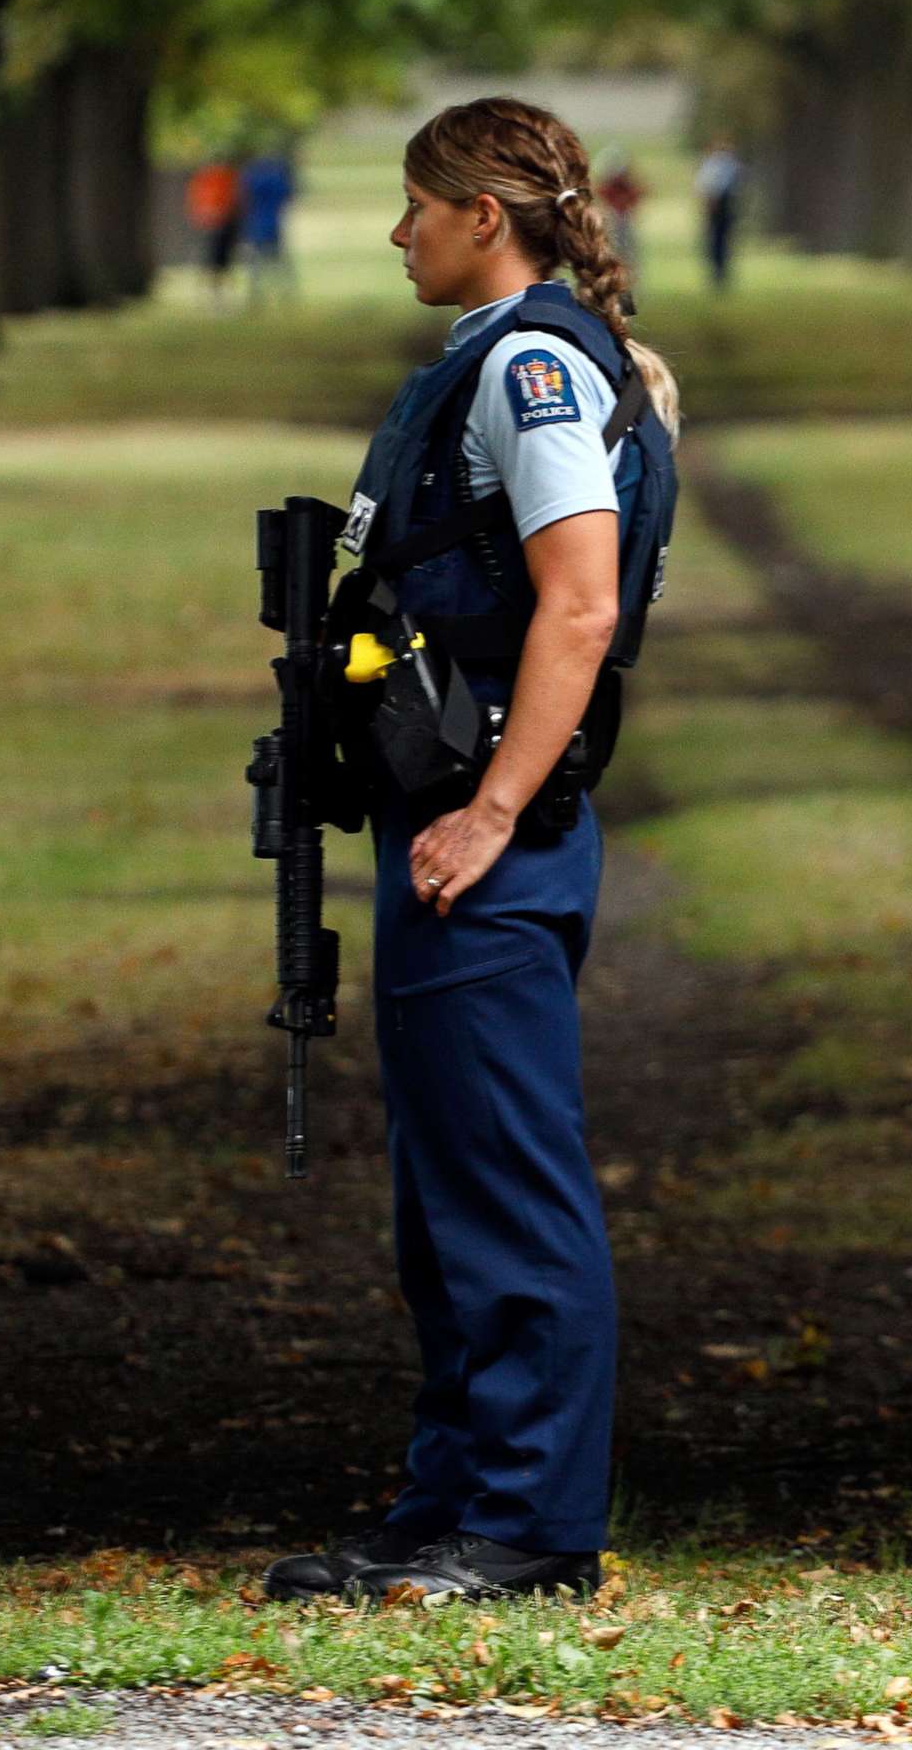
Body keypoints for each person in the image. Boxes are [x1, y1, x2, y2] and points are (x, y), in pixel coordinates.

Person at [265, 96, 681, 1608]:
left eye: (416, 207)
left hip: (489, 835)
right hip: (454, 823)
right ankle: (448, 1503)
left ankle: (530, 1528)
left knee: (508, 1189)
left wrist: (493, 807)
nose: (398, 233)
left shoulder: (528, 368)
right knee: (444, 1197)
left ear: (484, 217)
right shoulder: (514, 358)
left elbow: (576, 607)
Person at [239, 148, 296, 301]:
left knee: (257, 262)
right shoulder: (277, 179)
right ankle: (285, 293)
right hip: (272, 224)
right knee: (278, 262)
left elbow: (244, 196)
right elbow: (288, 195)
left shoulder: (253, 179)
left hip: (257, 223)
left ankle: (256, 294)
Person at [184, 156, 243, 298]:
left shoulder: (227, 178)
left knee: (222, 258)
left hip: (224, 223)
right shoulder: (206, 179)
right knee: (211, 257)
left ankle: (219, 289)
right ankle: (211, 289)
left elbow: (235, 200)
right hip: (211, 224)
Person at [694, 134, 745, 290]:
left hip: (723, 205)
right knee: (718, 241)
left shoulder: (719, 164)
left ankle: (720, 273)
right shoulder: (722, 164)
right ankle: (718, 273)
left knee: (720, 241)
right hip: (719, 205)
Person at [595, 146, 647, 277]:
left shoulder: (625, 185)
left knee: (628, 257)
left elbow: (638, 196)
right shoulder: (609, 187)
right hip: (613, 222)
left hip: (624, 222)